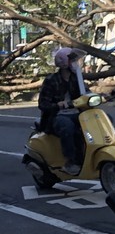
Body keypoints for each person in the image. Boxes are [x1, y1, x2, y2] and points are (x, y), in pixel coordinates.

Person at [38, 47, 87, 175]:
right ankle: (69, 161)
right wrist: (57, 105)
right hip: (55, 117)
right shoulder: (51, 80)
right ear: (64, 63)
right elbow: (43, 104)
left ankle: (86, 157)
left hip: (76, 113)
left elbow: (86, 93)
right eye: (72, 60)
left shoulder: (77, 78)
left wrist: (104, 95)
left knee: (100, 119)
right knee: (67, 125)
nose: (75, 63)